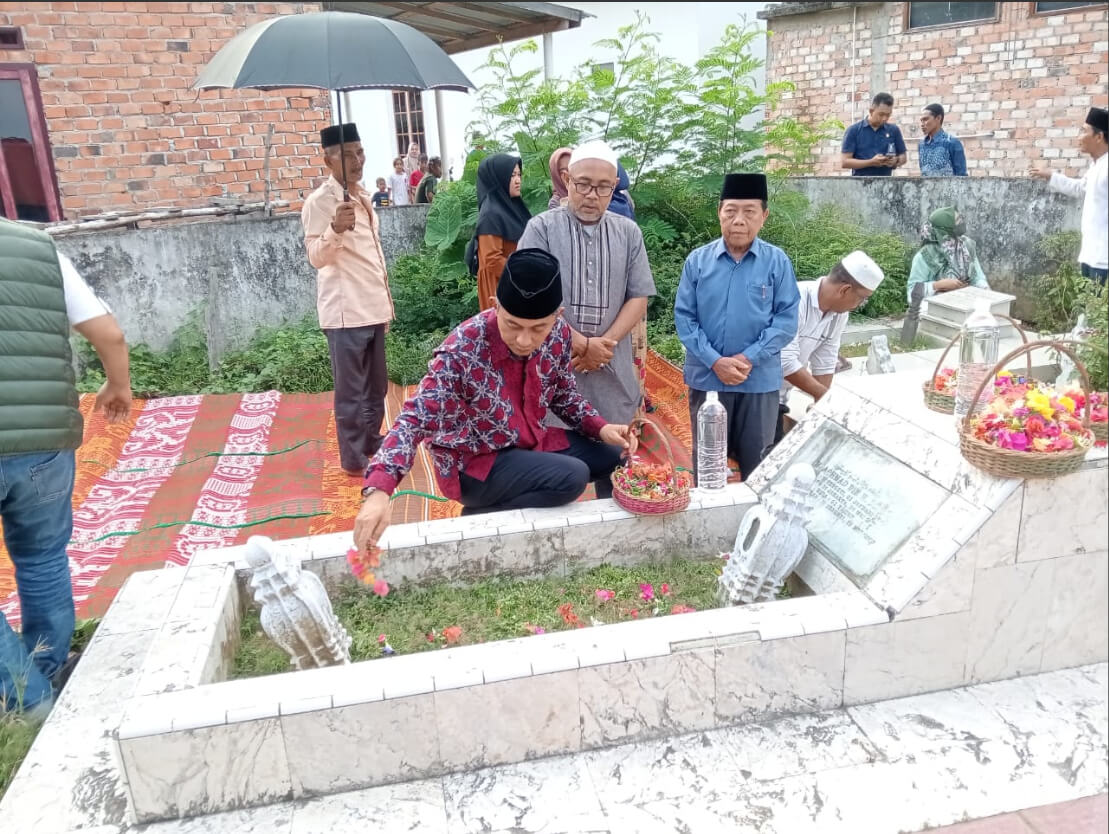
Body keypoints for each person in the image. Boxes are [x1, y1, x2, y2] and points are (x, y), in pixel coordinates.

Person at [353, 249, 638, 550]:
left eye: (538, 328)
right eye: (513, 325)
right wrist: (379, 490)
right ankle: (483, 516)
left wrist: (600, 427)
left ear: (558, 317)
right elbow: (412, 419)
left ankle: (612, 530)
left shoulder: (558, 335)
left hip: (528, 444)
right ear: (495, 307)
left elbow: (563, 395)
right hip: (476, 465)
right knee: (572, 478)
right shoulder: (463, 349)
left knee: (613, 453)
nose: (525, 340)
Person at [0, 218, 133, 716]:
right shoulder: (38, 248)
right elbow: (110, 333)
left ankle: (30, 701)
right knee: (42, 558)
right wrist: (118, 385)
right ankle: (49, 667)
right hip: (46, 441)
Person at [518, 140, 656, 426]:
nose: (592, 195)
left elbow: (639, 296)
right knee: (557, 464)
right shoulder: (541, 229)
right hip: (554, 369)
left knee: (611, 460)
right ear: (567, 180)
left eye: (603, 187)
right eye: (583, 184)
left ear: (615, 185)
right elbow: (527, 298)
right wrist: (579, 344)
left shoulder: (629, 233)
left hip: (611, 369)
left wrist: (605, 345)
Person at [674, 173, 800, 481]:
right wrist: (715, 361)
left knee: (757, 464)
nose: (739, 220)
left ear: (764, 217)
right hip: (708, 378)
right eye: (731, 211)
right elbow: (684, 318)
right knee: (708, 463)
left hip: (758, 380)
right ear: (719, 212)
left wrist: (747, 359)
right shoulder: (698, 261)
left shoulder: (777, 262)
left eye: (749, 212)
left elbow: (786, 320)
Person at [301, 123, 395, 477]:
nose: (357, 160)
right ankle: (354, 457)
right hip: (345, 312)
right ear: (327, 160)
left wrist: (386, 307)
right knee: (351, 392)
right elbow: (315, 256)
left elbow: (373, 256)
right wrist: (334, 229)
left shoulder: (364, 196)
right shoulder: (319, 203)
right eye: (347, 154)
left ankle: (370, 440)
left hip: (371, 306)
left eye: (360, 152)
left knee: (376, 387)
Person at [777, 251, 885, 441]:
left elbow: (825, 360)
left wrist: (820, 404)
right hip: (751, 394)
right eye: (862, 299)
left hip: (778, 398)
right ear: (845, 290)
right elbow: (783, 361)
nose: (860, 304)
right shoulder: (794, 299)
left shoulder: (839, 314)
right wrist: (825, 397)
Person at [1030, 106, 1108, 287]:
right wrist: (1050, 175)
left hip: (1104, 259)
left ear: (1099, 136)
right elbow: (1080, 188)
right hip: (1091, 255)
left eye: (1084, 131)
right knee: (1087, 310)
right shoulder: (1097, 166)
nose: (1079, 137)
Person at [473, 153, 532, 310]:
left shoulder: (512, 207)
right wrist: (524, 273)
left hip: (514, 283)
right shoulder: (491, 214)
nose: (518, 180)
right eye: (512, 175)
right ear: (498, 178)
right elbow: (492, 259)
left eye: (519, 174)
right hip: (500, 286)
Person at [906, 206, 990, 304]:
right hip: (934, 309)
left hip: (965, 304)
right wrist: (937, 285)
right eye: (957, 221)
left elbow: (978, 278)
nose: (961, 223)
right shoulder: (924, 257)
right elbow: (912, 294)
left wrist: (986, 291)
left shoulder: (966, 246)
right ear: (944, 230)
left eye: (960, 219)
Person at [841, 92, 907, 177]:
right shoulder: (854, 130)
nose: (885, 118)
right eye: (881, 114)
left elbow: (903, 157)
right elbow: (845, 162)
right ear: (871, 111)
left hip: (886, 184)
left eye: (888, 115)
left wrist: (896, 161)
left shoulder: (894, 130)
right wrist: (871, 162)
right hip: (860, 184)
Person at [918, 103, 967, 177]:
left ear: (938, 118)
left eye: (925, 119)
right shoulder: (922, 145)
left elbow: (962, 177)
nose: (922, 124)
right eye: (921, 120)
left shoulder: (952, 143)